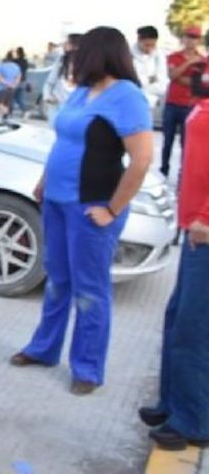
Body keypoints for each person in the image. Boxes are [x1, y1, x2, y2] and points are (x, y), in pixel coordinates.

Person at [11, 27, 153, 396]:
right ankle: (43, 349)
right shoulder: (81, 92)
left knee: (90, 289)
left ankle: (87, 367)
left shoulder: (127, 97)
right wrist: (44, 180)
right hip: (57, 202)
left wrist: (112, 209)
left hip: (91, 207)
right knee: (57, 280)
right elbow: (63, 140)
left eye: (79, 52)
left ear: (99, 54)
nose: (72, 58)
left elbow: (141, 160)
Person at [139, 57, 209, 451]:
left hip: (205, 230)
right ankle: (172, 403)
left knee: (193, 330)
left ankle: (193, 420)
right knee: (176, 319)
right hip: (195, 228)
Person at [160, 25, 205, 177]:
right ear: (183, 38)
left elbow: (197, 83)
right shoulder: (174, 57)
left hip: (189, 106)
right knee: (167, 140)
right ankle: (164, 169)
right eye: (188, 37)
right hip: (172, 104)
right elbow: (172, 75)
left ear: (199, 40)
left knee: (186, 143)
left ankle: (183, 173)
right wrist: (188, 63)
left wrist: (181, 77)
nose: (191, 41)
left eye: (194, 37)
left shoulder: (203, 60)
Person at [43, 33, 82, 125]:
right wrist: (48, 96)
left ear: (75, 45)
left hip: (75, 110)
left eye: (67, 42)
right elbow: (49, 82)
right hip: (57, 107)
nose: (64, 45)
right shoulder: (61, 61)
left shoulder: (87, 64)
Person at [132, 25, 169, 111]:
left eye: (153, 45)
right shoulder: (127, 54)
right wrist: (152, 79)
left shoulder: (159, 55)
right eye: (146, 45)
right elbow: (130, 82)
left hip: (151, 105)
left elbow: (162, 85)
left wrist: (141, 82)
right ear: (139, 40)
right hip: (131, 103)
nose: (149, 48)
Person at [0, 51, 21, 117]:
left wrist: (7, 83)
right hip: (11, 88)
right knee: (7, 104)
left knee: (0, 103)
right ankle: (6, 116)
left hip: (2, 88)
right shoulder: (17, 67)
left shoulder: (1, 66)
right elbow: (18, 78)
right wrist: (13, 85)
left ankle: (6, 114)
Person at [12, 47, 30, 115]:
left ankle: (9, 113)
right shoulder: (25, 61)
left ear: (17, 52)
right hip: (23, 81)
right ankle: (25, 111)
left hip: (16, 81)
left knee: (13, 97)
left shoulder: (15, 61)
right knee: (19, 98)